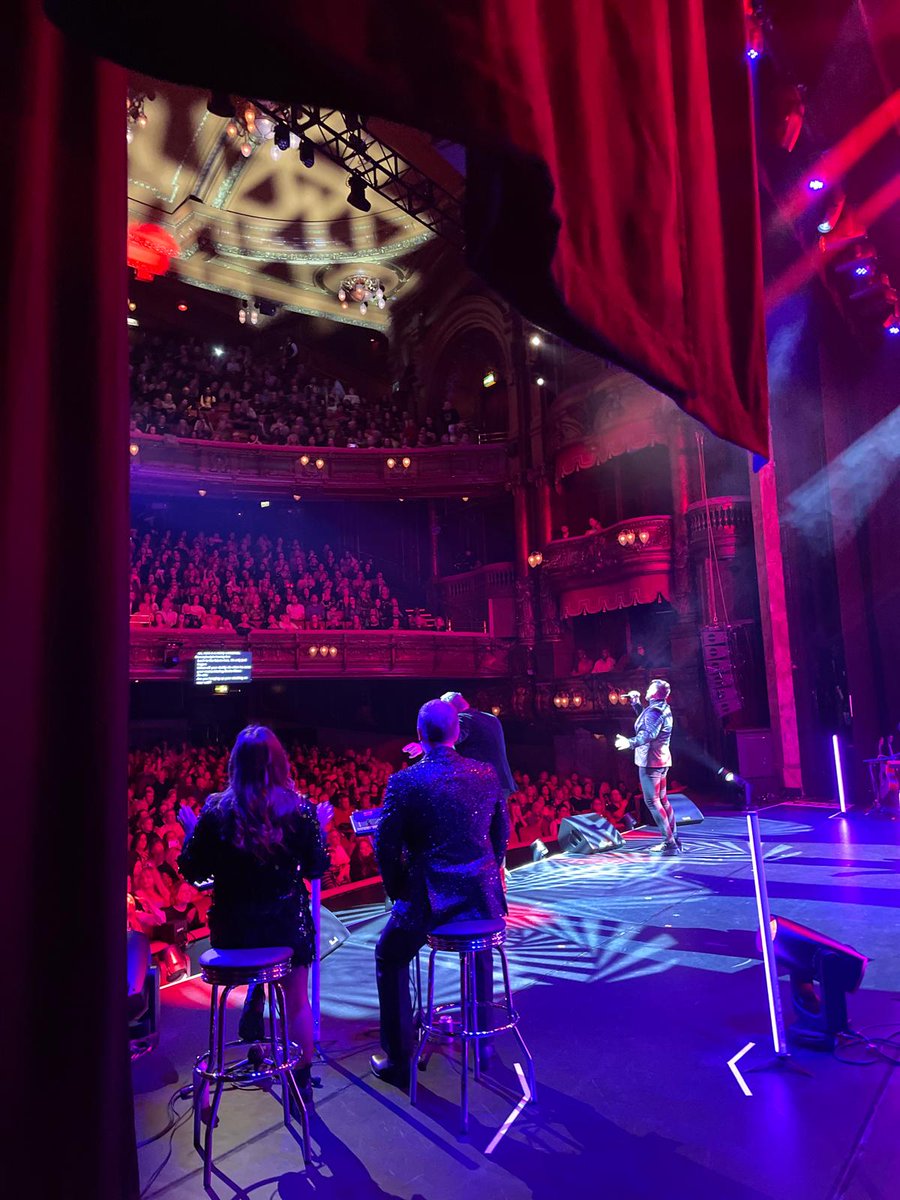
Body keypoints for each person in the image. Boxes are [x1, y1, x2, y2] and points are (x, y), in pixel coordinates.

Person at [177, 726, 331, 1108]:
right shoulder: (301, 809)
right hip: (285, 929)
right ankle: (303, 1081)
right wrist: (321, 831)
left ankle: (220, 1074)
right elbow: (316, 867)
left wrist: (191, 831)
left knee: (285, 992)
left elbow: (193, 871)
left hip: (233, 933)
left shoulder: (215, 809)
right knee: (296, 1000)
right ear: (280, 763)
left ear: (235, 764)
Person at [371, 700, 509, 1087]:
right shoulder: (486, 773)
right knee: (478, 950)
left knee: (389, 954)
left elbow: (385, 846)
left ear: (419, 735)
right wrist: (485, 871)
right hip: (480, 897)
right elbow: (501, 836)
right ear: (457, 734)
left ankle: (400, 1060)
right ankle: (483, 1046)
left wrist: (398, 889)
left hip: (427, 900)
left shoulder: (405, 781)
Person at [614, 679, 680, 854]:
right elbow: (648, 722)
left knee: (653, 801)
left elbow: (649, 733)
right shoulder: (660, 707)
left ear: (655, 693)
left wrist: (630, 742)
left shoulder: (655, 711)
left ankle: (669, 842)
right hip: (660, 760)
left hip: (651, 762)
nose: (647, 688)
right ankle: (674, 838)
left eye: (650, 687)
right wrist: (636, 704)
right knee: (662, 800)